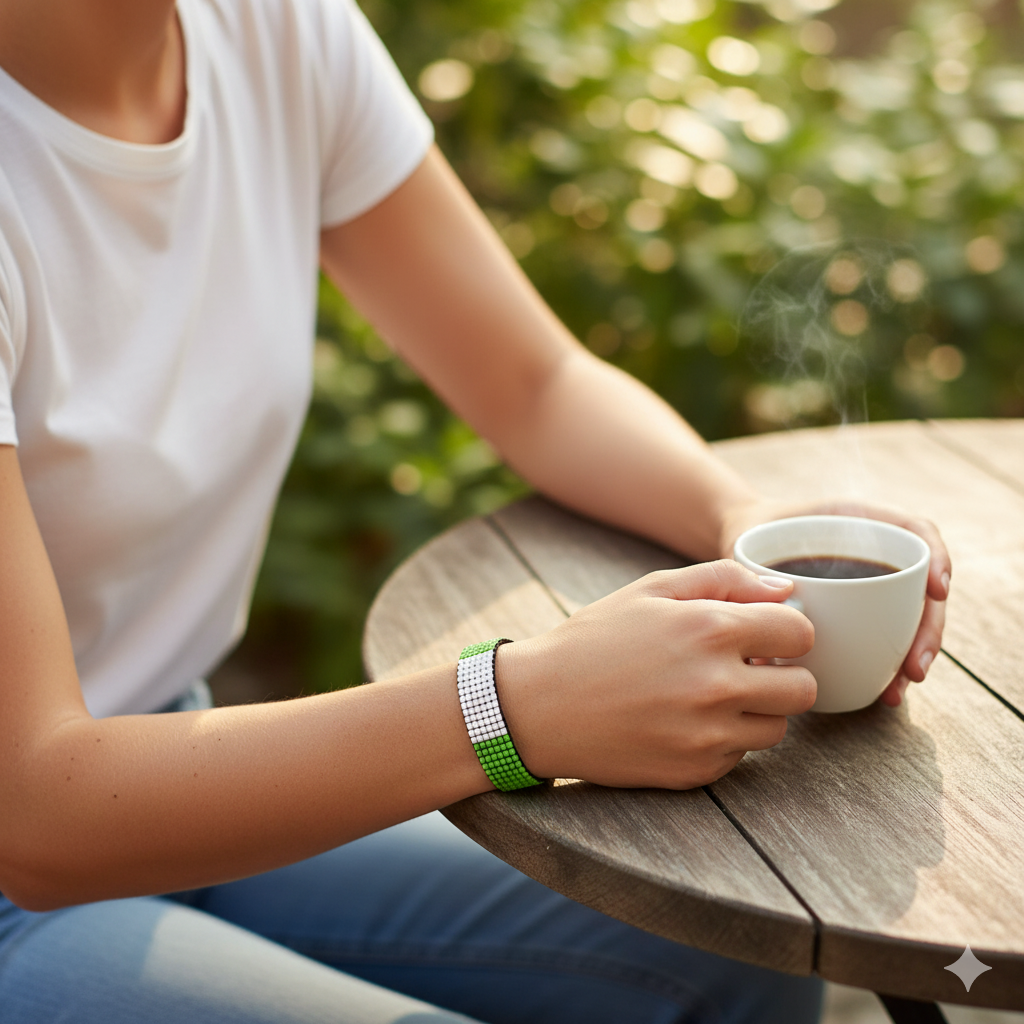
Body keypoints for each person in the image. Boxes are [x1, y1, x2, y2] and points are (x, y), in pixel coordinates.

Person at [0, 0, 949, 1021]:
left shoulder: (274, 29)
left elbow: (528, 380)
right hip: (44, 847)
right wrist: (516, 707)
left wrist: (743, 512)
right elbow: (39, 813)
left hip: (169, 757)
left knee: (729, 939)